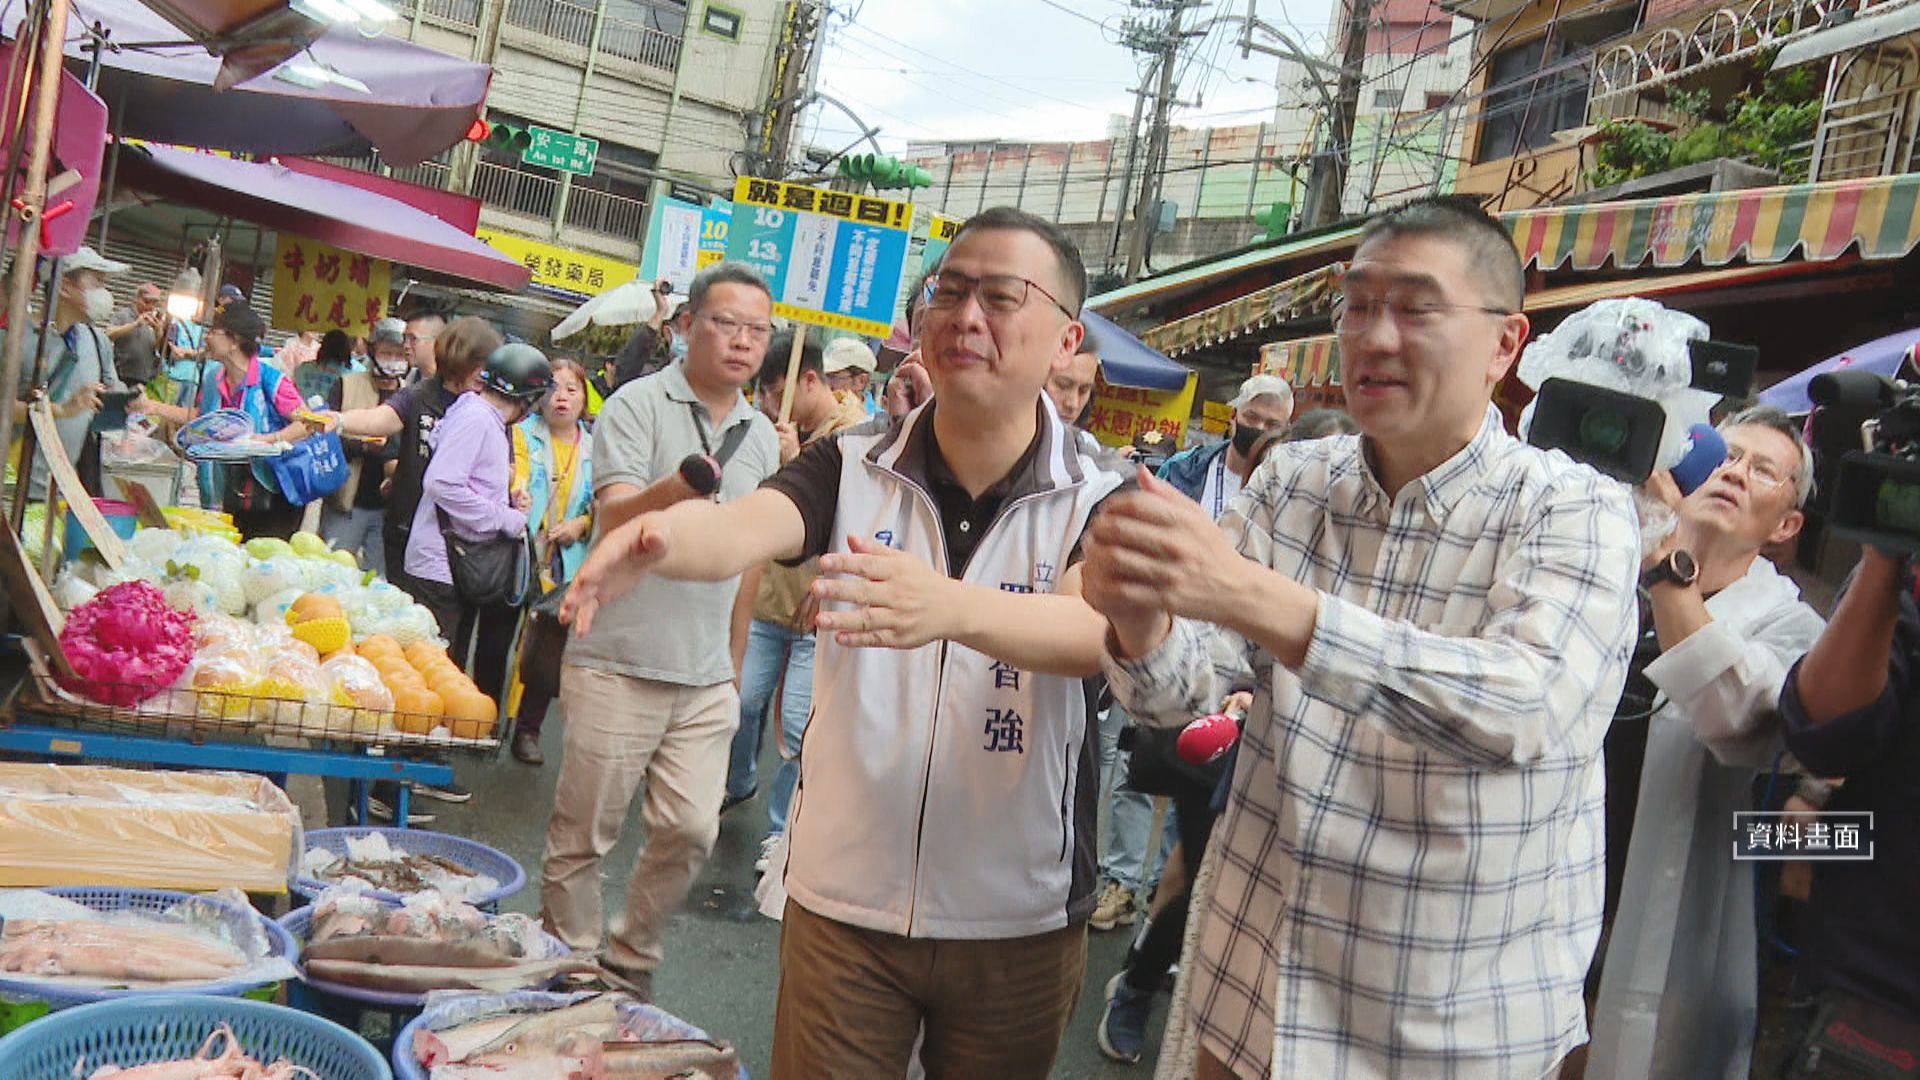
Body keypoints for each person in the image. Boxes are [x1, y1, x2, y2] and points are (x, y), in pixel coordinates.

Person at [1079, 197, 1641, 1079]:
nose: (1375, 335)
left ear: (1506, 343)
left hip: (1447, 1023)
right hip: (1255, 983)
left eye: (1416, 308)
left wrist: (1255, 597)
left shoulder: (1574, 507)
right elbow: (1182, 694)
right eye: (1357, 304)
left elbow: (1524, 709)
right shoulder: (1297, 477)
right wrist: (1140, 613)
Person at [562, 208, 1131, 1076]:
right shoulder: (852, 461)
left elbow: (1091, 630)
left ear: (1066, 340)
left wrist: (945, 606)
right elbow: (750, 524)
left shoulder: (1104, 496)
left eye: (1002, 296)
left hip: (1015, 913)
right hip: (844, 898)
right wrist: (658, 542)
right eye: (949, 292)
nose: (966, 316)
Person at [537, 263, 781, 1000]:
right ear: (686, 326)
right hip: (616, 658)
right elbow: (614, 517)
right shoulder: (637, 404)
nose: (743, 341)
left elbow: (749, 563)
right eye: (726, 323)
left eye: (758, 331)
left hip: (704, 675)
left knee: (691, 830)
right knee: (583, 837)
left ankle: (631, 956)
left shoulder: (764, 437)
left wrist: (734, 668)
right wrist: (684, 487)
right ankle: (570, 964)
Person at [1579, 405, 1824, 1079]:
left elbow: (1737, 717)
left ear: (1786, 526)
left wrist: (1665, 560)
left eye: (1763, 470)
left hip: (1663, 918)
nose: (1735, 473)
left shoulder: (1792, 627)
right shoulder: (1603, 571)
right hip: (1553, 891)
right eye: (1723, 455)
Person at [1086, 374, 1294, 941]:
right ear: (1236, 417)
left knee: (1198, 819)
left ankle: (1154, 922)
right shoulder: (1188, 472)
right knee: (1141, 763)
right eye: (1256, 420)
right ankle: (1125, 881)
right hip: (1172, 645)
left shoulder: (1287, 512)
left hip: (1238, 685)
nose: (1262, 434)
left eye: (1276, 427)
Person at [720, 330, 869, 871]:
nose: (764, 403)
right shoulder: (778, 431)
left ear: (811, 380)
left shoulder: (858, 436)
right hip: (766, 601)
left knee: (803, 728)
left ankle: (784, 830)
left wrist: (793, 459)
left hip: (819, 610)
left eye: (775, 389)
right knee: (737, 703)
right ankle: (738, 783)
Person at [1772, 544, 1920, 1072]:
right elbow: (1824, 740)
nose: (1736, 476)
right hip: (1869, 998)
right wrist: (1884, 555)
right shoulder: (1897, 582)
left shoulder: (1782, 611)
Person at [407, 341, 552, 707]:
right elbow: (442, 483)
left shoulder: (477, 414)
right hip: (441, 564)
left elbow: (466, 479)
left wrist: (505, 498)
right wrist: (505, 518)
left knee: (443, 667)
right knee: (434, 672)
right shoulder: (477, 419)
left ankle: (427, 742)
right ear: (526, 397)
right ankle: (416, 752)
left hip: (455, 563)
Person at [327, 315, 486, 597]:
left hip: (455, 541)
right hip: (404, 526)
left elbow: (503, 468)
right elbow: (381, 420)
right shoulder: (418, 394)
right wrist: (337, 420)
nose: (405, 348)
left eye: (412, 340)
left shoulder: (484, 407)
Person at [136, 301, 306, 538]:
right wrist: (152, 406)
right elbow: (200, 418)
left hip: (269, 495)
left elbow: (308, 422)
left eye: (213, 331)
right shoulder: (213, 379)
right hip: (227, 490)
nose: (206, 337)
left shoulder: (271, 380)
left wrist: (269, 439)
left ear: (234, 340)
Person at [505, 356, 595, 766]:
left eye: (571, 389)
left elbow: (607, 502)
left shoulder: (598, 448)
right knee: (498, 637)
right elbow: (511, 479)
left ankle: (527, 730)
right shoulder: (519, 435)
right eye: (553, 388)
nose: (561, 397)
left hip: (565, 562)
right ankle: (486, 721)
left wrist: (583, 522)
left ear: (584, 398)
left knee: (545, 647)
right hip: (518, 550)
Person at [7, 247, 127, 503]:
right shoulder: (17, 338)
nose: (105, 293)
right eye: (96, 282)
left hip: (60, 494)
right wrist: (59, 409)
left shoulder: (97, 341)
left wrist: (130, 402)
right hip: (10, 492)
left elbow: (109, 394)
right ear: (64, 287)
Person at [318, 326, 407, 576]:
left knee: (378, 582)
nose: (393, 360)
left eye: (399, 354)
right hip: (346, 503)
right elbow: (325, 439)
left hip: (389, 512)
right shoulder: (346, 385)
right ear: (371, 351)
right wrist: (364, 445)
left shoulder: (411, 395)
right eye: (387, 352)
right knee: (332, 573)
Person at [105, 281, 164, 388]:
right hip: (122, 376)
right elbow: (108, 334)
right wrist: (135, 324)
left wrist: (158, 332)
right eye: (146, 302)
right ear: (137, 299)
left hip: (145, 378)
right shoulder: (123, 315)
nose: (150, 307)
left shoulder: (156, 320)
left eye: (153, 304)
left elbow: (157, 349)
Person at [294, 329, 357, 407]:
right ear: (346, 350)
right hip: (333, 417)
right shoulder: (350, 376)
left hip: (301, 415)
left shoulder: (302, 368)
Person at [822, 336, 879, 415]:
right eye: (822, 376)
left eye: (832, 376)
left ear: (861, 381)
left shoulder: (874, 421)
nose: (826, 384)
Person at [405, 311, 446, 382]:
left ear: (437, 341)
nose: (406, 345)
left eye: (413, 339)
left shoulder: (452, 382)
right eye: (404, 338)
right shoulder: (413, 376)